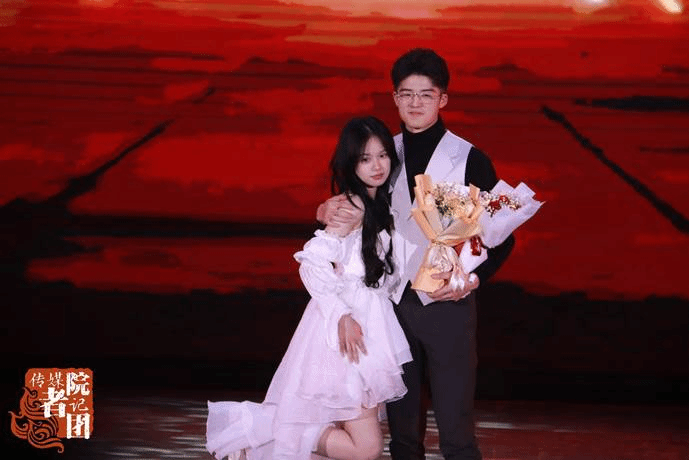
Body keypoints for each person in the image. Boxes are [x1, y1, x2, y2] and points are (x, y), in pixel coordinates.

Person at [318, 48, 515, 460]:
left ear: (443, 98)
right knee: (403, 430)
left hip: (449, 306)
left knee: (456, 428)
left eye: (426, 94)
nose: (415, 103)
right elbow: (353, 208)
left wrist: (472, 280)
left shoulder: (470, 158)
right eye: (406, 94)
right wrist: (325, 210)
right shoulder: (381, 155)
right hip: (389, 306)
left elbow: (502, 236)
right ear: (394, 98)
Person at [206, 116, 412, 460]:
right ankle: (266, 430)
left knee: (348, 439)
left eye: (382, 156)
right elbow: (312, 262)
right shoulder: (352, 206)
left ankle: (266, 438)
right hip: (345, 330)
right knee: (366, 448)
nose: (377, 166)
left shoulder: (378, 204)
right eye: (365, 158)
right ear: (351, 163)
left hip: (371, 326)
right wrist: (341, 314)